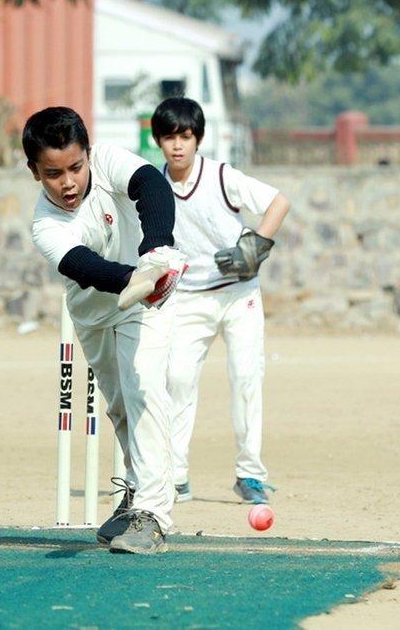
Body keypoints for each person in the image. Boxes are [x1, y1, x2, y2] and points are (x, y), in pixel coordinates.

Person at [25, 106, 186, 554]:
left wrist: (155, 253)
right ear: (34, 171)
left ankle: (152, 514)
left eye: (76, 167)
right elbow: (86, 267)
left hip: (148, 299)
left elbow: (152, 186)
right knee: (119, 407)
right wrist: (138, 279)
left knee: (145, 391)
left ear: (88, 155)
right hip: (98, 309)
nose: (69, 182)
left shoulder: (111, 160)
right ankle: (136, 490)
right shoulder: (45, 225)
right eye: (53, 173)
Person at [151, 97, 291, 505]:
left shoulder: (222, 176)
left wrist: (256, 244)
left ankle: (249, 474)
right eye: (170, 137)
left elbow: (278, 202)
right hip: (188, 296)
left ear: (198, 139)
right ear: (158, 141)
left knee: (246, 378)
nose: (178, 146)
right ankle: (175, 476)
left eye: (186, 136)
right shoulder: (153, 185)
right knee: (176, 381)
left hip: (237, 292)